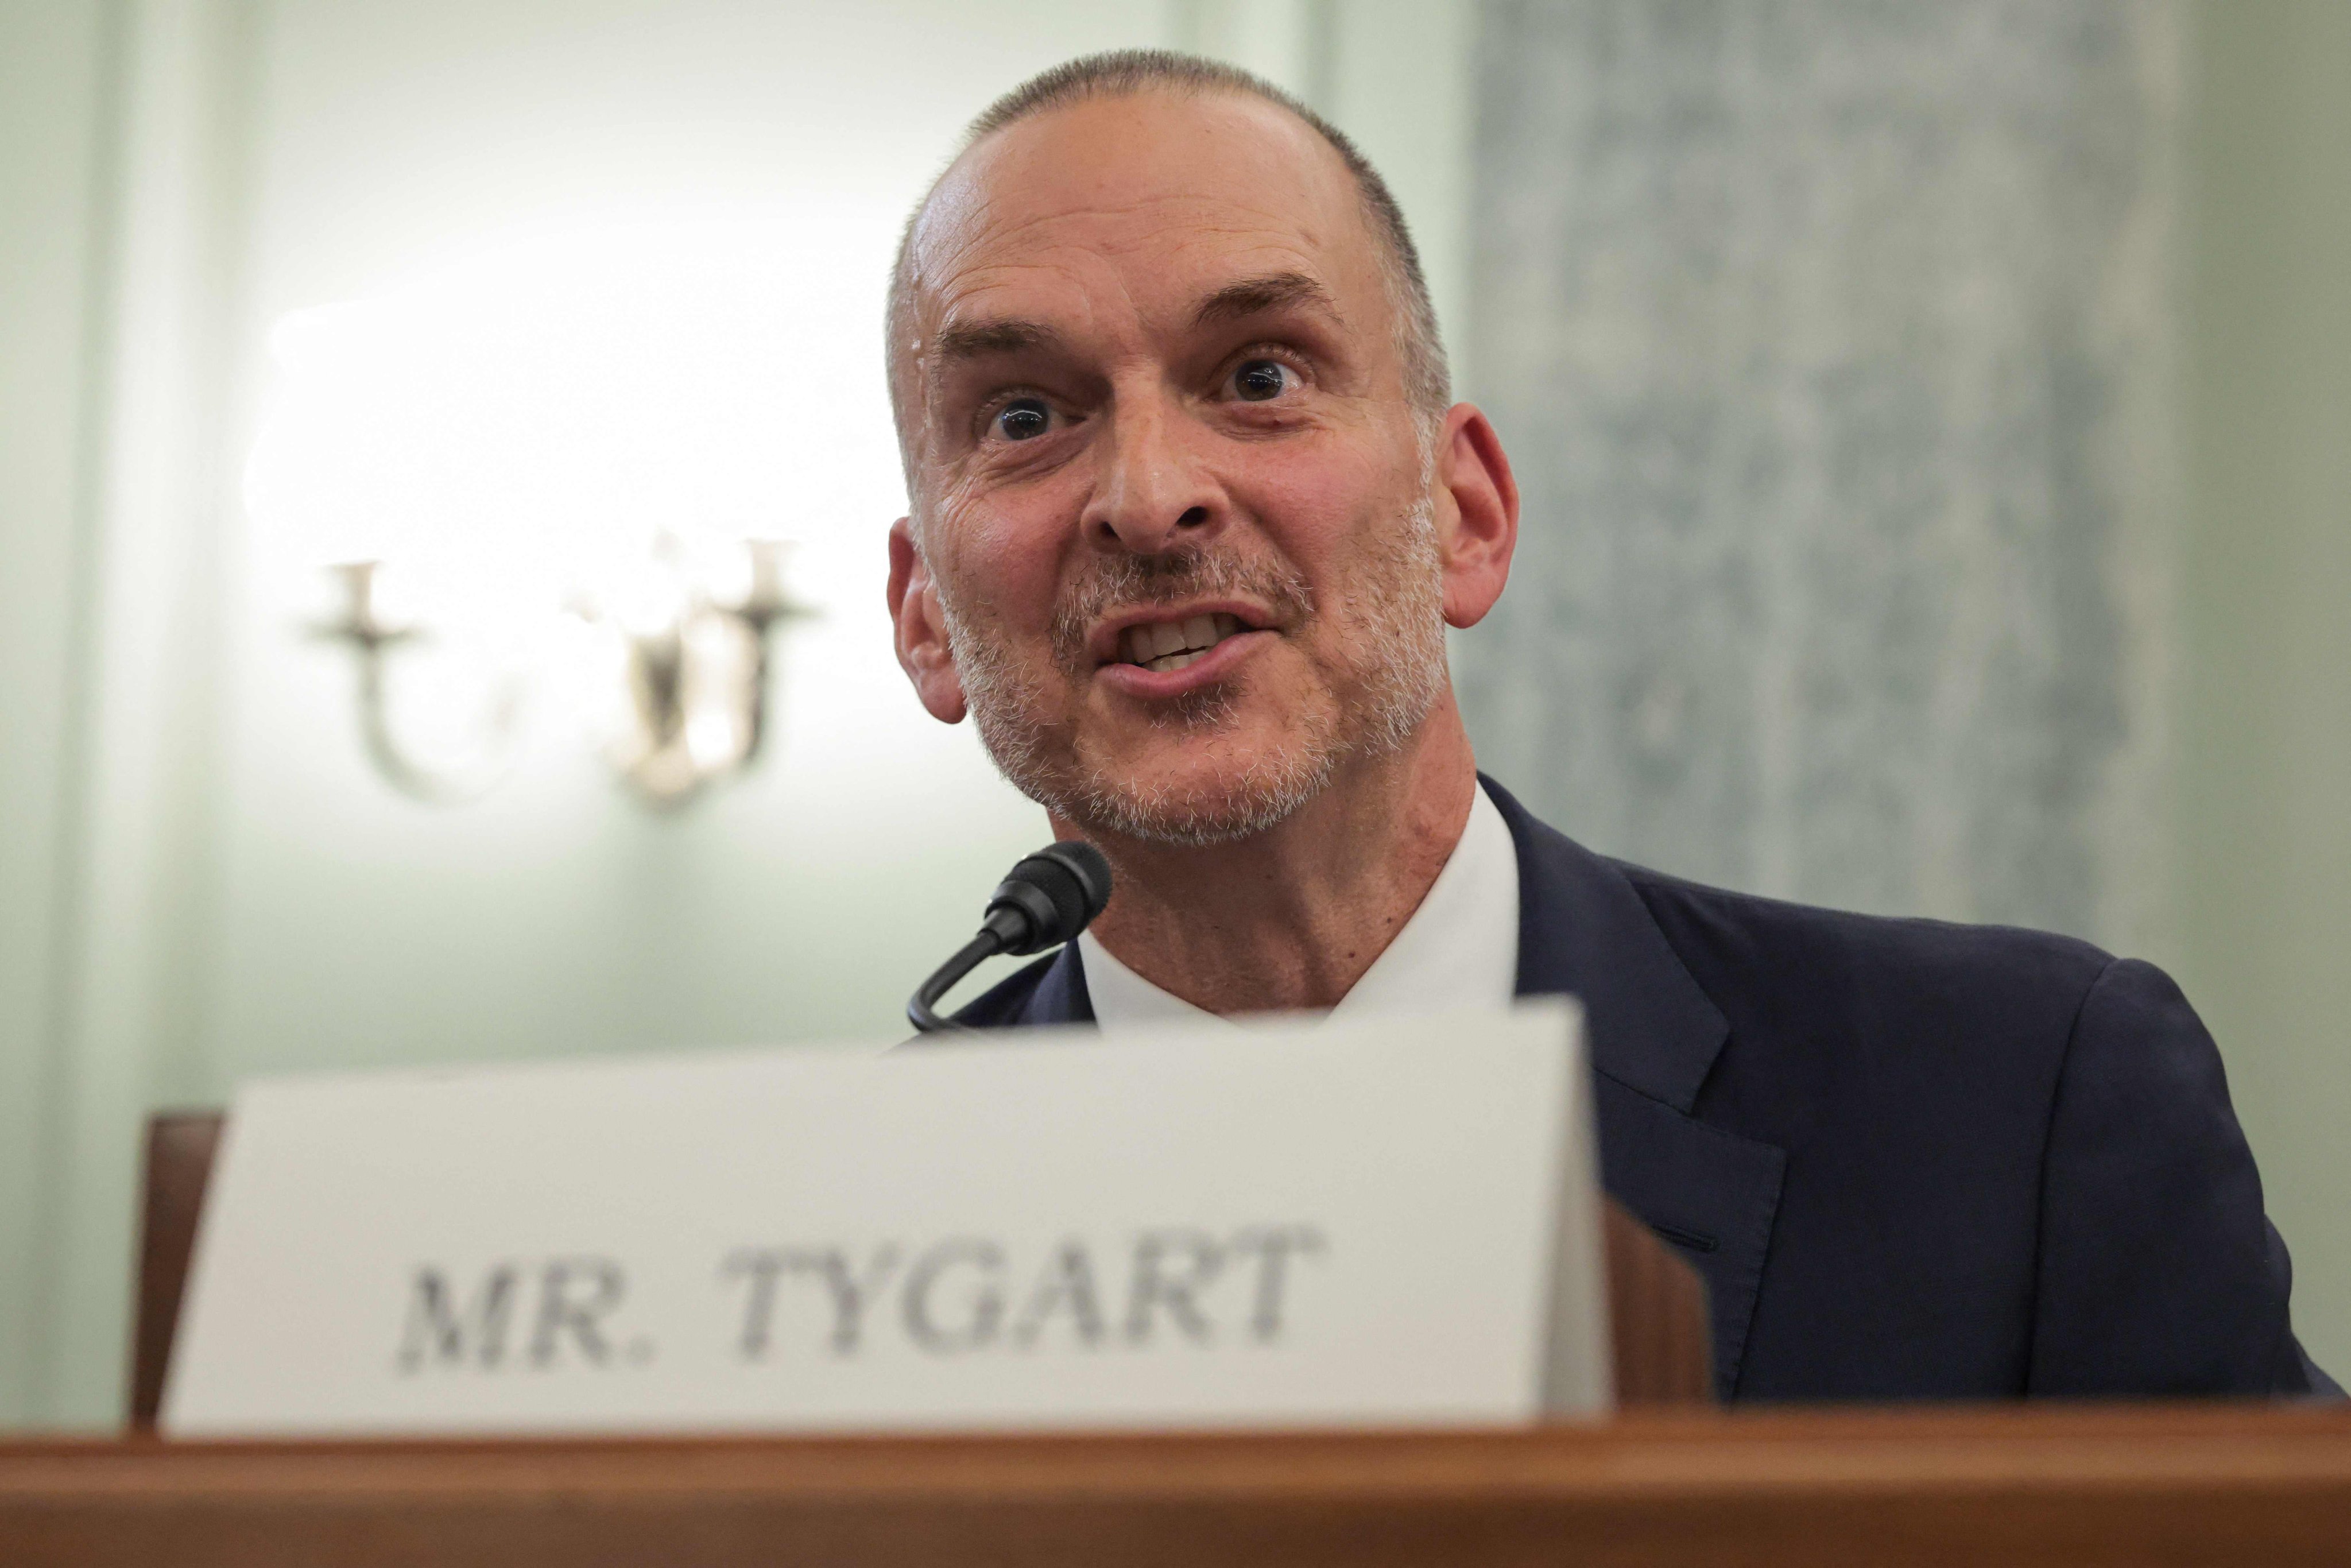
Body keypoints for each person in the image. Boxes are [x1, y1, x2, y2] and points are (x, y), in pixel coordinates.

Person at [881, 50, 2333, 1400]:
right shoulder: (831, 1235)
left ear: (1463, 515)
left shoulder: (2016, 1115)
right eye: (1020, 417)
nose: (1148, 495)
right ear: (924, 616)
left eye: (1259, 377)